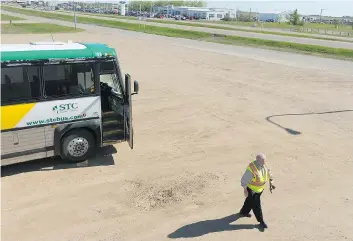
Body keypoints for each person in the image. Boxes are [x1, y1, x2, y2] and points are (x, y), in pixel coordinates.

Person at [238, 153, 275, 229]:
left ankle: (243, 212)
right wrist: (245, 190)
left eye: (265, 161)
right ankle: (261, 221)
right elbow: (244, 180)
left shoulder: (264, 164)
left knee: (249, 201)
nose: (264, 162)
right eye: (262, 161)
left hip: (260, 189)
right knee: (256, 206)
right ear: (257, 160)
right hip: (252, 190)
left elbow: (269, 172)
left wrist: (271, 182)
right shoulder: (251, 169)